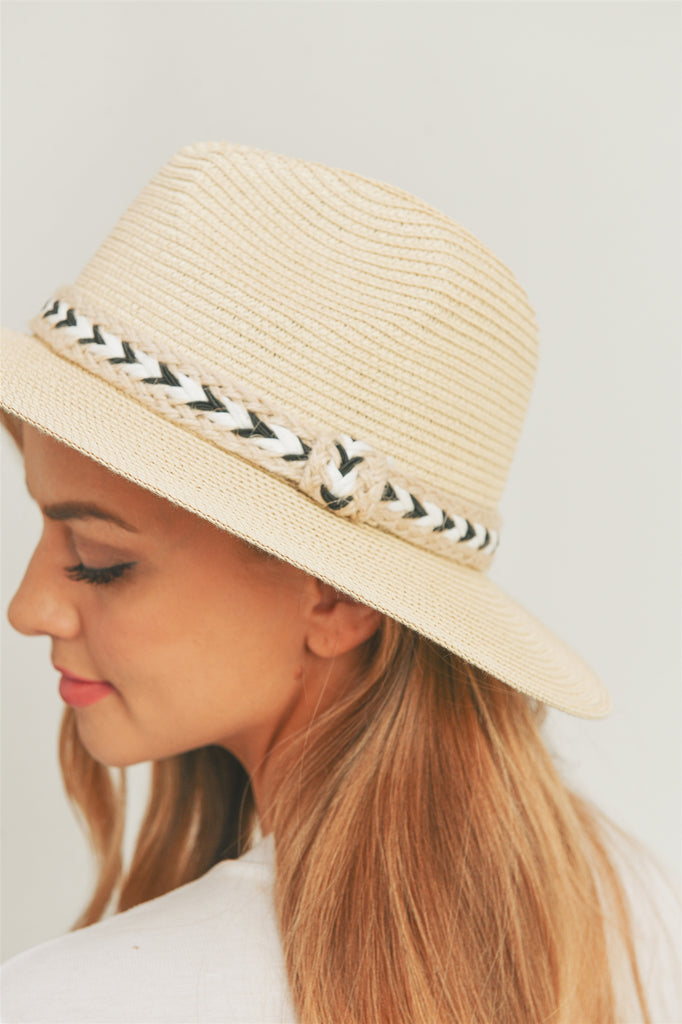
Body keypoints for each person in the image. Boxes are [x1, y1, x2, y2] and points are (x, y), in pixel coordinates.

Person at [0, 142, 676, 1024]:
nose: (28, 608)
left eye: (100, 560)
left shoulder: (74, 1001)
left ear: (338, 598)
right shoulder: (633, 916)